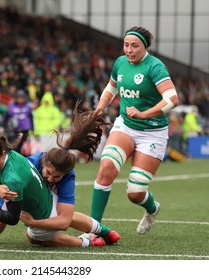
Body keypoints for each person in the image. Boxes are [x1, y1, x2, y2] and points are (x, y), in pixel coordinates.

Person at [0, 103, 119, 247]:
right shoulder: (14, 157)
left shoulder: (17, 179)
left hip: (35, 205)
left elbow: (15, 219)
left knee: (38, 235)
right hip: (17, 192)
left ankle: (88, 241)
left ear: (2, 154)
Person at [90, 26, 179, 234]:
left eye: (134, 46)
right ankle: (92, 229)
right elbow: (111, 88)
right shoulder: (120, 63)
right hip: (126, 127)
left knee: (135, 193)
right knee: (105, 169)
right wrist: (100, 108)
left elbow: (172, 99)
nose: (129, 50)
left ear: (144, 47)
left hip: (153, 132)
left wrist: (144, 113)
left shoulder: (155, 67)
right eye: (126, 45)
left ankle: (152, 209)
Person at [4, 89, 33, 154]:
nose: (20, 99)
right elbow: (6, 117)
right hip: (15, 129)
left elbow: (31, 117)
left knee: (22, 145)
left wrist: (32, 128)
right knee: (14, 145)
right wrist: (4, 126)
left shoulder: (28, 106)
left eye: (21, 97)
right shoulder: (11, 106)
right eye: (19, 97)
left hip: (25, 129)